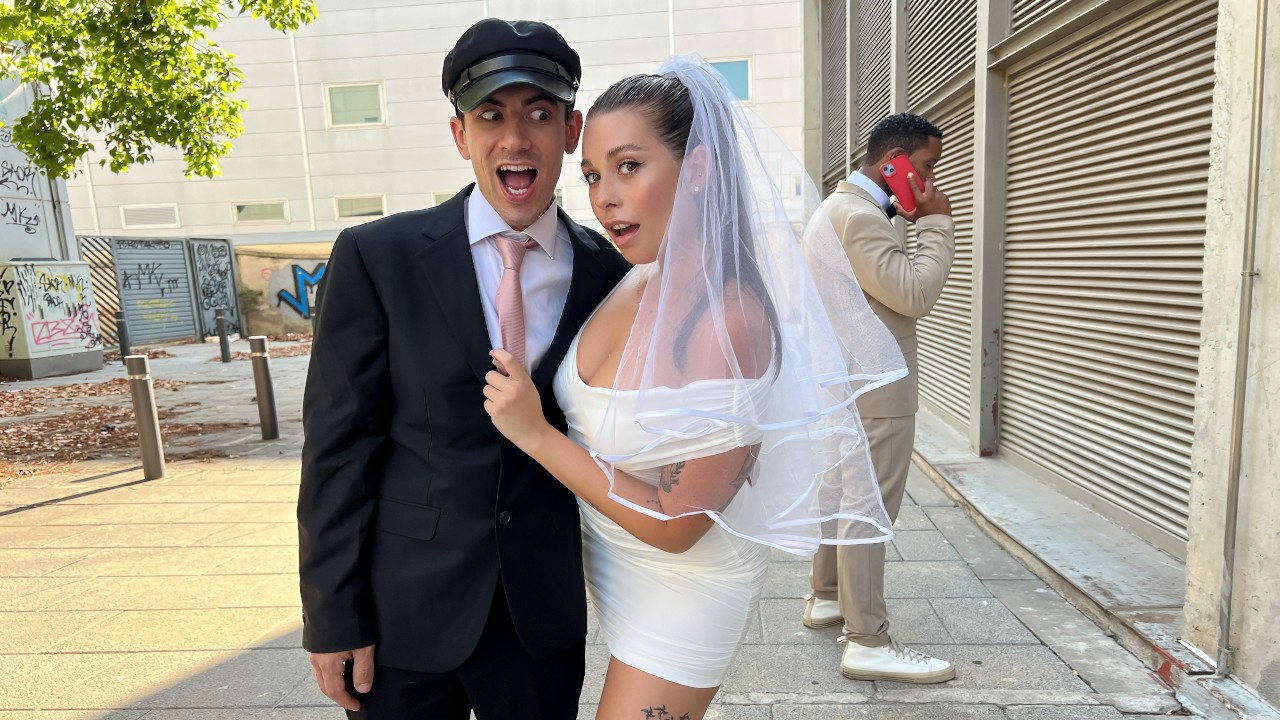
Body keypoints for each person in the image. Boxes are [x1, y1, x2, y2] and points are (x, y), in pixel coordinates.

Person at [483, 57, 907, 720]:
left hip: (683, 590)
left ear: (700, 169)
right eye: (592, 175)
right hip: (611, 571)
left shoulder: (729, 321)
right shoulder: (634, 274)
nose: (604, 196)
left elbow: (679, 524)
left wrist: (534, 434)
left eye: (629, 166)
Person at [296, 18, 629, 720]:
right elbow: (337, 447)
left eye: (539, 114)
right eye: (491, 115)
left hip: (540, 618)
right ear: (460, 135)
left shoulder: (611, 273)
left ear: (571, 131)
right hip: (402, 615)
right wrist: (332, 616)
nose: (516, 139)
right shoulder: (377, 257)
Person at [804, 112, 957, 683]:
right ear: (893, 162)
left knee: (844, 494)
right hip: (874, 386)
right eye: (926, 166)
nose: (931, 181)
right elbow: (914, 294)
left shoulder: (840, 209)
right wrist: (937, 224)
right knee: (869, 508)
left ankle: (827, 596)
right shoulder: (859, 217)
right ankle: (867, 640)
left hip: (849, 381)